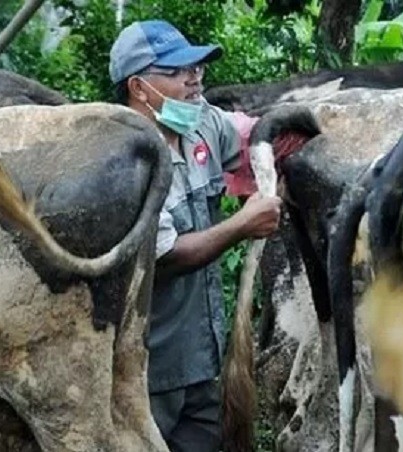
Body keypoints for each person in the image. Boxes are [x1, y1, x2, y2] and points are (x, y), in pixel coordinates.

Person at [109, 19, 282, 452]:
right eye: (176, 71)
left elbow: (245, 132)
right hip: (146, 367)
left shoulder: (200, 126)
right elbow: (166, 255)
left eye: (197, 66)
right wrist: (243, 225)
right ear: (138, 87)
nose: (195, 76)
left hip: (201, 359)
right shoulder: (127, 158)